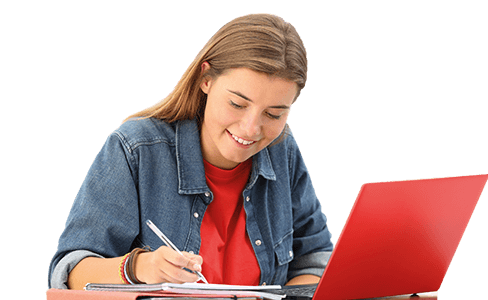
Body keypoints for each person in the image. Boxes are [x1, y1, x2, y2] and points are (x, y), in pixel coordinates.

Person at [48, 13, 333, 290]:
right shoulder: (136, 149)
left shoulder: (282, 149)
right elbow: (70, 272)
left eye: (273, 114)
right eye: (237, 103)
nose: (251, 129)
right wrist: (139, 268)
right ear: (205, 79)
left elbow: (317, 263)